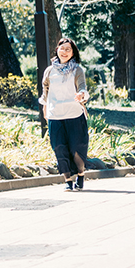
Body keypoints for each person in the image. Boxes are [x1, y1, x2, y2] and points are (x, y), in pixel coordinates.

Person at [39, 37, 89, 192]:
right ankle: (67, 180)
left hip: (74, 114)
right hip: (55, 116)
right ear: (57, 50)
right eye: (62, 49)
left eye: (68, 49)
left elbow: (82, 88)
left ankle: (80, 174)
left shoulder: (77, 70)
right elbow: (45, 93)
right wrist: (45, 110)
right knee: (59, 148)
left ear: (73, 52)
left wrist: (82, 95)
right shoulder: (49, 71)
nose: (65, 52)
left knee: (77, 148)